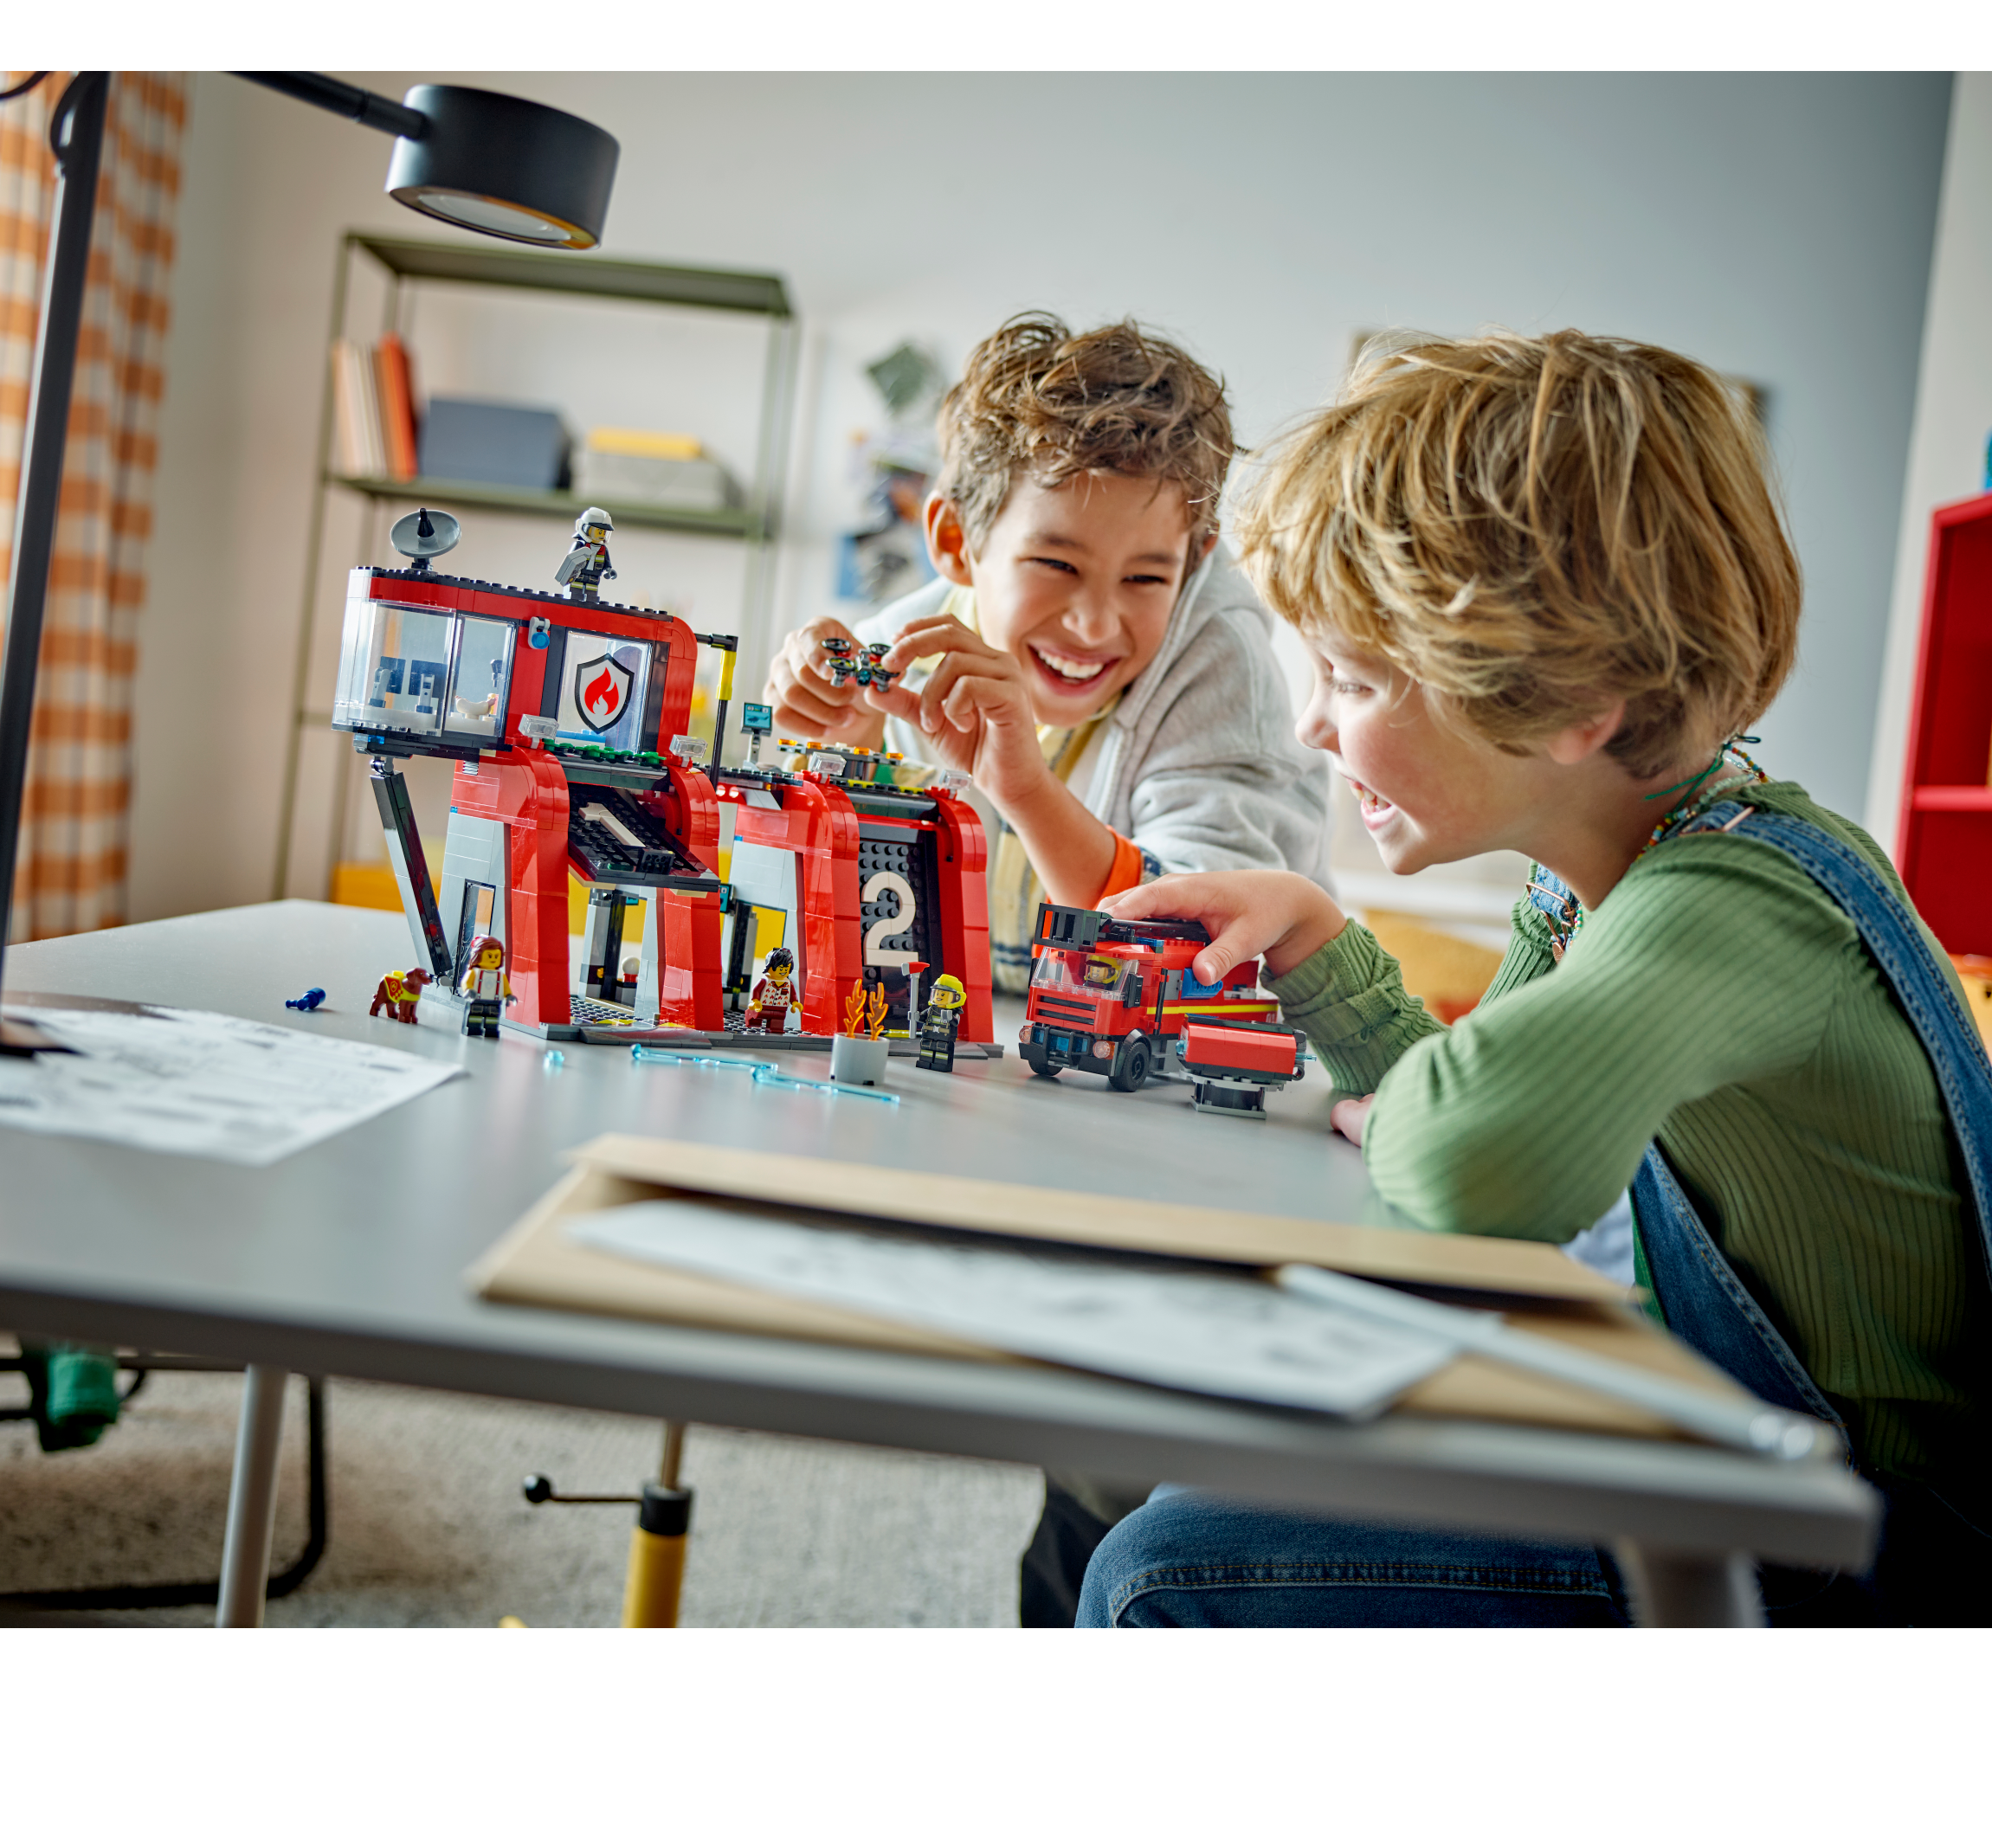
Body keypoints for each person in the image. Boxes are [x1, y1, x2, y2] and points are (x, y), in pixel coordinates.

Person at [1076, 328, 1992, 1628]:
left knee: (1164, 1571)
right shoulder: (1595, 877)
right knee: (1187, 1474)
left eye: (1355, 676)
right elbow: (1467, 1102)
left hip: (1856, 1554)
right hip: (1728, 1456)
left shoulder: (1731, 906)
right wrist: (1316, 936)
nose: (1314, 724)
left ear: (1576, 704)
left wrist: (1416, 1119)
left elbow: (1470, 1159)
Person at [765, 313, 1339, 1618]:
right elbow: (813, 842)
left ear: (1195, 558)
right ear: (960, 546)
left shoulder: (1227, 670)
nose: (1096, 622)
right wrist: (817, 726)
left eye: (1150, 575)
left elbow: (1194, 944)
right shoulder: (916, 631)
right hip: (1000, 1071)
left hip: (1184, 1108)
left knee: (1119, 1470)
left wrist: (1020, 776)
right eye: (1058, 563)